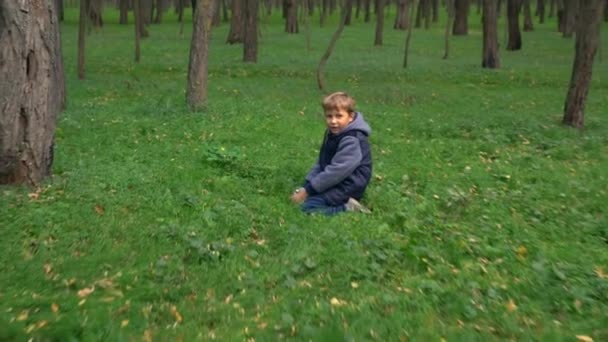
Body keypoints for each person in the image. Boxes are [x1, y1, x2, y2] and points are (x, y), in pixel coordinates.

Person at [290, 92, 372, 215]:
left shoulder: (352, 139)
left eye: (339, 116)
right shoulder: (333, 132)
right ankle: (319, 195)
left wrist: (308, 191)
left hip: (349, 185)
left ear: (350, 116)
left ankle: (349, 207)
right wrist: (307, 185)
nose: (333, 121)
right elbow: (322, 161)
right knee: (302, 197)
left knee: (307, 207)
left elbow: (336, 171)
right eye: (329, 116)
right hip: (337, 180)